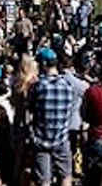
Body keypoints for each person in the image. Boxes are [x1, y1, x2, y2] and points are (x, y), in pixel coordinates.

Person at [29, 47, 74, 186]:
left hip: (41, 139)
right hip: (61, 138)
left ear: (43, 64)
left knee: (44, 180)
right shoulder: (67, 86)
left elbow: (30, 109)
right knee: (65, 175)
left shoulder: (38, 86)